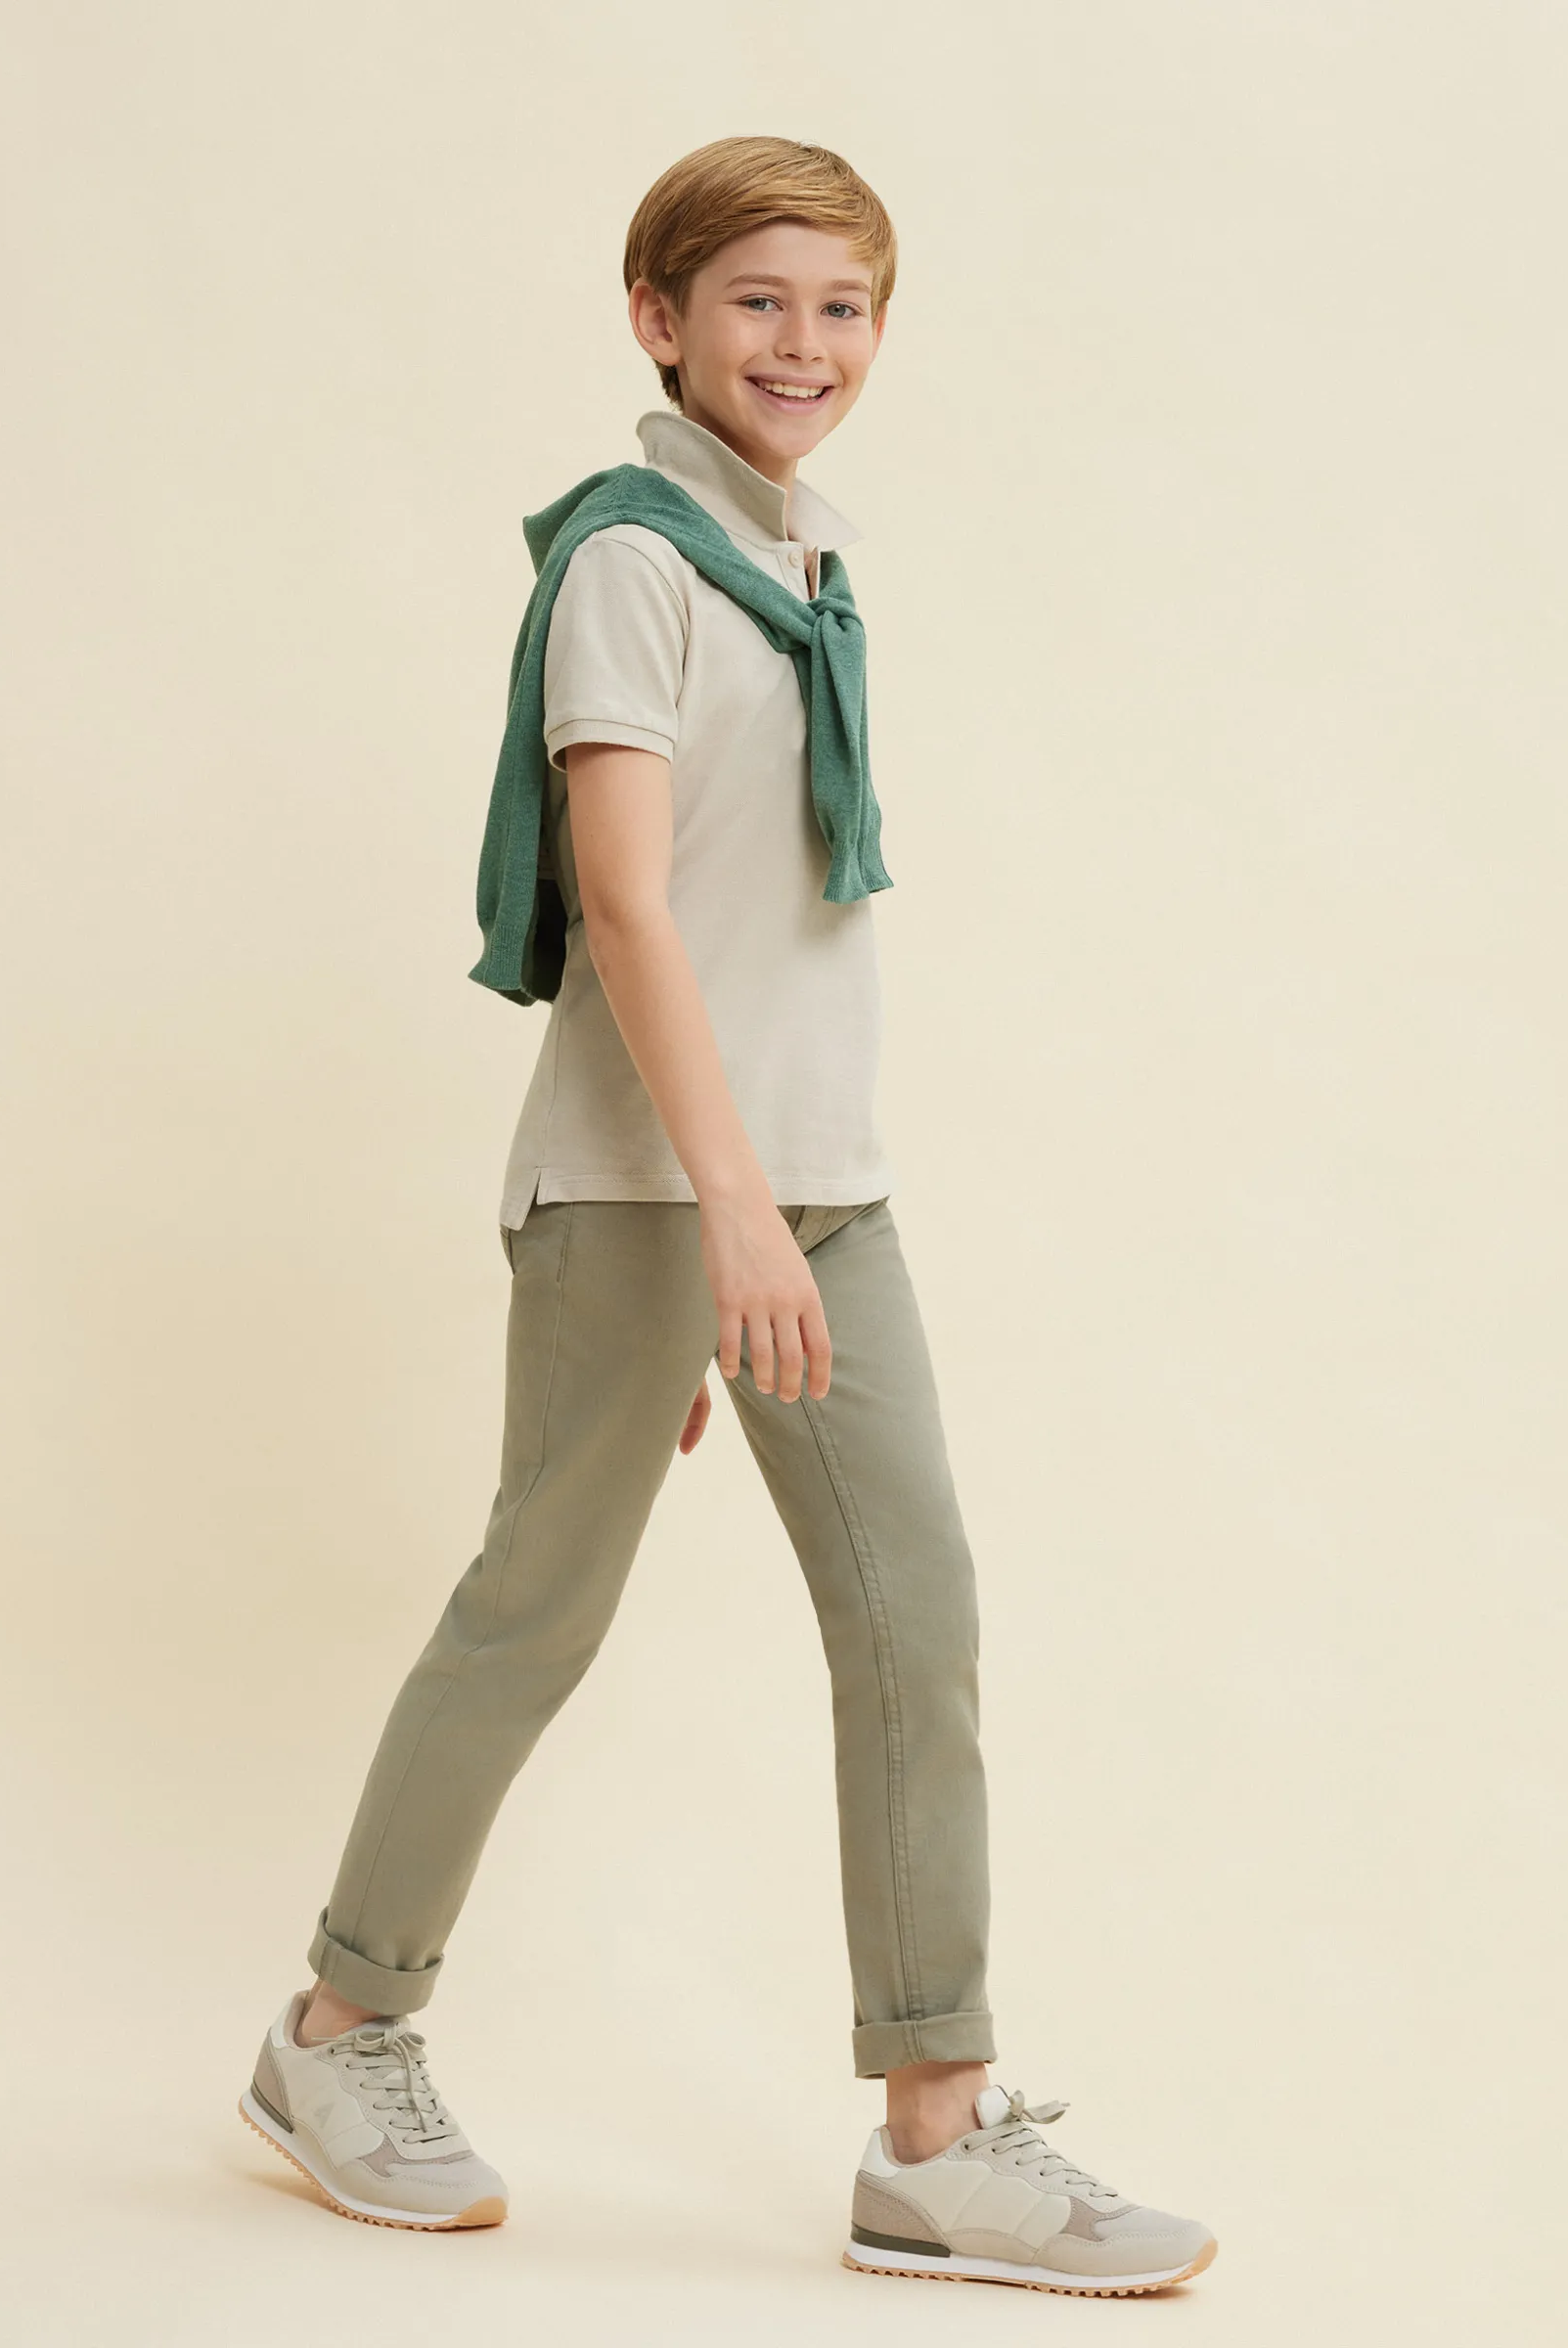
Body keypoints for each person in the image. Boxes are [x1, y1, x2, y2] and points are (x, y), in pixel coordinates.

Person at [237, 133, 1216, 2297]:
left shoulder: (814, 560)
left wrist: (784, 1207)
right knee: (537, 1613)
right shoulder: (632, 560)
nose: (805, 343)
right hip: (656, 1192)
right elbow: (625, 903)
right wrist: (723, 1225)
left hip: (821, 1187)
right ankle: (337, 2032)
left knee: (916, 1622)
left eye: (844, 306)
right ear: (657, 317)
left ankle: (937, 2137)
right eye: (759, 299)